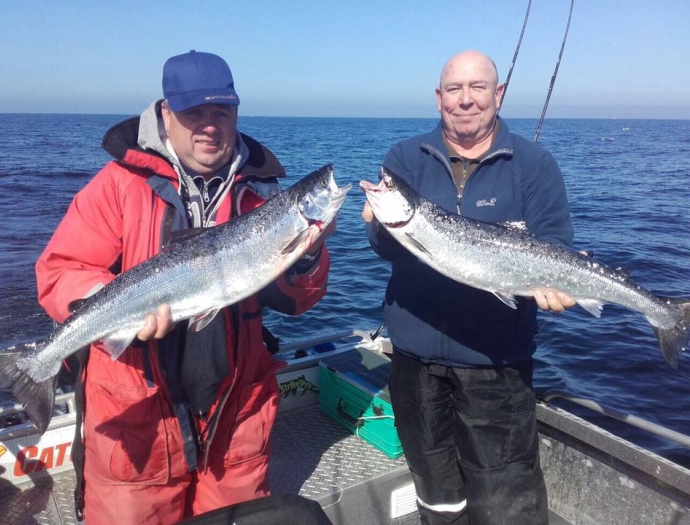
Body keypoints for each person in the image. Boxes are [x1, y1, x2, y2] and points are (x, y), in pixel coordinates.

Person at [36, 50, 334, 525]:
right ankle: (33, 370)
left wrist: (310, 255)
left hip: (236, 413)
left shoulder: (264, 194)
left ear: (237, 113)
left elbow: (298, 300)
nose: (210, 126)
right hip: (137, 416)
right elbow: (60, 271)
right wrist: (114, 306)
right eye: (195, 112)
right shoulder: (118, 185)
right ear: (166, 113)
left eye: (222, 112)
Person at [363, 50, 576, 524]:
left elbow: (555, 243)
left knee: (507, 505)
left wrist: (558, 283)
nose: (465, 100)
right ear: (438, 97)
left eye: (477, 87)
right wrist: (379, 226)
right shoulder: (405, 158)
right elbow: (386, 248)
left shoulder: (534, 165)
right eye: (454, 89)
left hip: (496, 367)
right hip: (415, 365)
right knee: (437, 499)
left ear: (498, 94)